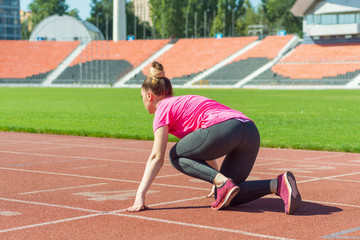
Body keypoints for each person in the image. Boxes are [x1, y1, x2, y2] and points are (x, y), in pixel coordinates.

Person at [127, 61, 301, 214]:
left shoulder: (162, 108)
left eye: (141, 97)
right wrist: (215, 178)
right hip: (249, 129)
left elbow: (157, 157)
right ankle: (278, 184)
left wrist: (140, 195)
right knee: (229, 194)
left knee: (175, 155)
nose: (143, 101)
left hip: (224, 129)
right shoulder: (182, 103)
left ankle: (223, 183)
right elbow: (204, 148)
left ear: (149, 96)